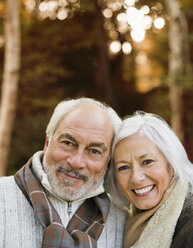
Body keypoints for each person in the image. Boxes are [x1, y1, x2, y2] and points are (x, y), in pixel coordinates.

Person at [0, 97, 126, 248]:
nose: (76, 162)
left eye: (94, 151)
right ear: (47, 143)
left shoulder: (123, 221)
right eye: (67, 143)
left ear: (107, 163)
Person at [108, 111, 193, 248]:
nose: (136, 178)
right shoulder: (124, 225)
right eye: (123, 167)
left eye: (147, 162)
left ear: (171, 163)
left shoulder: (189, 224)